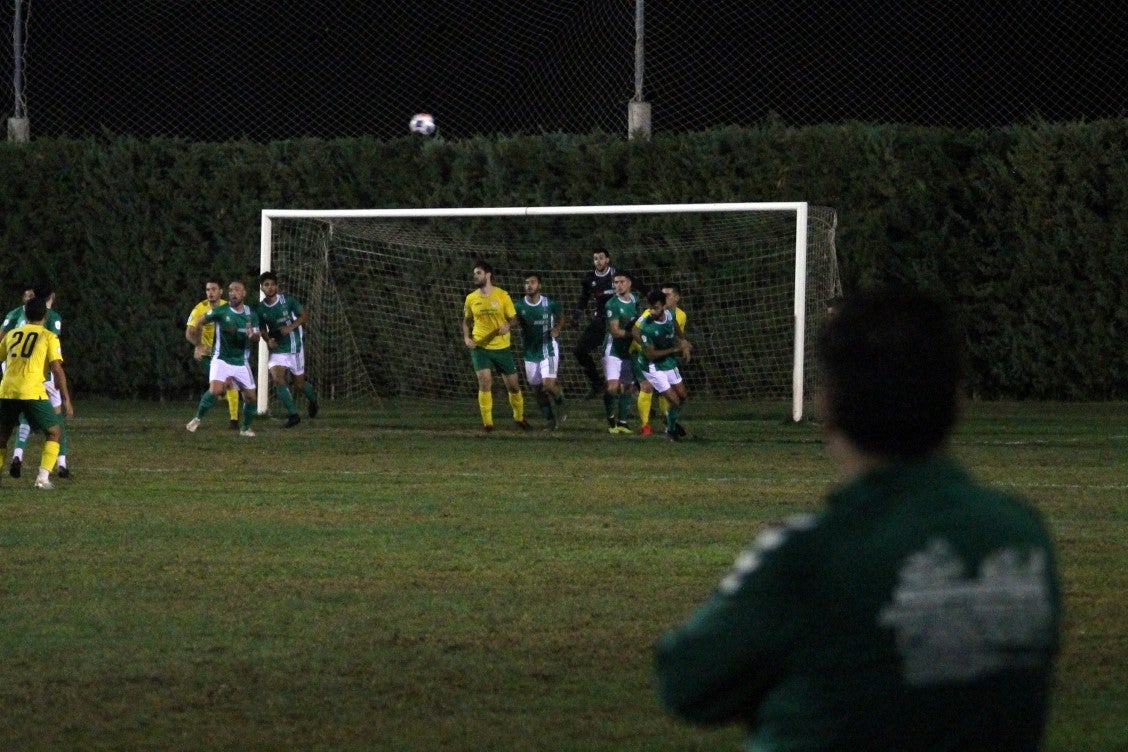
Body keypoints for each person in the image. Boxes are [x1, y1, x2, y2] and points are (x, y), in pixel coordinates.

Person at [654, 286, 1061, 751]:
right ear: (956, 402)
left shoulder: (809, 554)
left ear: (828, 405)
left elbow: (687, 682)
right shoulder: (1023, 537)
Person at [0, 296, 74, 490]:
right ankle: (42, 479)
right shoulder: (48, 336)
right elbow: (57, 369)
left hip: (7, 390)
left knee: (2, 436)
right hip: (32, 391)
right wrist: (66, 398)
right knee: (54, 431)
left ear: (25, 314)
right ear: (45, 315)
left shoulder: (12, 334)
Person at [185, 280, 261, 437]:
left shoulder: (251, 314)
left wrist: (253, 335)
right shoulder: (221, 311)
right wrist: (198, 344)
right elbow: (199, 321)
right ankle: (197, 419)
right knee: (216, 390)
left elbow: (257, 337)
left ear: (244, 293)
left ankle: (245, 428)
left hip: (241, 361)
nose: (233, 293)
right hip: (221, 359)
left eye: (237, 290)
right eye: (231, 290)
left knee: (251, 397)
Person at [461, 262, 529, 432]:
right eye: (474, 273)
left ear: (488, 275)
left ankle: (519, 418)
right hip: (480, 347)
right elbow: (466, 321)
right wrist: (466, 337)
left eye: (478, 273)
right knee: (485, 382)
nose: (475, 276)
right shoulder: (471, 298)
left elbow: (513, 318)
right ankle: (488, 424)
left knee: (513, 386)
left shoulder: (502, 295)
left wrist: (508, 325)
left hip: (502, 347)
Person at [255, 271, 320, 427]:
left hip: (294, 346)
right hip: (278, 349)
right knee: (277, 378)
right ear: (262, 288)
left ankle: (313, 402)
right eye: (266, 285)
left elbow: (304, 315)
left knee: (299, 384)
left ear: (276, 286)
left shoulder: (288, 301)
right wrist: (267, 340)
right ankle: (294, 415)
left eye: (272, 284)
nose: (270, 288)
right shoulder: (260, 308)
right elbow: (262, 328)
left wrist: (291, 327)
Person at [633, 289, 692, 441]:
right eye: (651, 308)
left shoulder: (671, 315)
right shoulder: (647, 327)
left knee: (683, 396)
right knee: (674, 400)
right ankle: (671, 430)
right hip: (651, 366)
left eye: (656, 308)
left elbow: (678, 332)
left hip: (668, 361)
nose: (652, 311)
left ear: (664, 306)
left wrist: (684, 344)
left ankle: (669, 418)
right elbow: (650, 354)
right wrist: (676, 349)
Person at [514, 273, 568, 429]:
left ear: (539, 286)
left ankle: (561, 402)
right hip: (530, 352)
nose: (529, 285)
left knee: (548, 385)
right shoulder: (519, 306)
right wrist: (507, 326)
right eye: (526, 283)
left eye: (532, 282)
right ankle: (551, 420)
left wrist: (558, 328)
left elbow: (562, 317)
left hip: (548, 348)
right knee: (537, 389)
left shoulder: (550, 304)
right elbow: (513, 320)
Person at [572, 249, 617, 400]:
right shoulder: (589, 279)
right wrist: (576, 316)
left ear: (607, 260)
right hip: (600, 322)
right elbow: (584, 298)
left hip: (618, 322)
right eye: (595, 258)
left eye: (601, 258)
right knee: (579, 350)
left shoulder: (617, 275)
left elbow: (635, 288)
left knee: (627, 359)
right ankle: (597, 384)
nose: (598, 261)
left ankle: (642, 394)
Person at [602, 271, 641, 434]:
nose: (618, 285)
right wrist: (635, 334)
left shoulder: (635, 300)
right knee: (613, 387)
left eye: (621, 282)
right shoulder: (612, 304)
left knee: (628, 387)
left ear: (629, 283)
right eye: (615, 282)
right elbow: (616, 331)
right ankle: (610, 416)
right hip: (613, 350)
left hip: (629, 350)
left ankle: (623, 422)